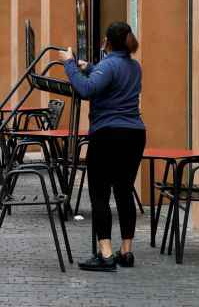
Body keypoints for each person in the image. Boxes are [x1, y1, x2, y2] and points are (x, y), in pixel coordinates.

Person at [57, 21, 146, 272]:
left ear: (107, 41)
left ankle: (105, 254)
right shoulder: (134, 66)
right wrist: (92, 67)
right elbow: (113, 78)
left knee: (99, 193)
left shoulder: (108, 65)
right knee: (124, 191)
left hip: (108, 134)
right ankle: (126, 252)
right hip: (134, 135)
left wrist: (70, 64)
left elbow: (86, 89)